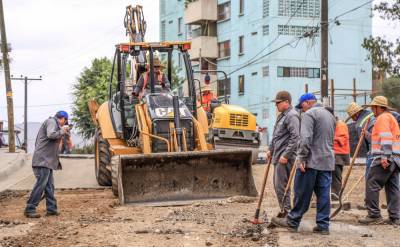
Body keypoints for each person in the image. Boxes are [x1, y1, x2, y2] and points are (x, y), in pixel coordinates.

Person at [271, 93, 336, 235]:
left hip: (310, 161)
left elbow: (305, 138)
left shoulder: (309, 114)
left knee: (302, 192)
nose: (302, 109)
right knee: (323, 194)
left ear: (307, 103)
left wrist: (301, 158)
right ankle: (323, 225)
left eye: (302, 106)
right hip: (327, 161)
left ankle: (292, 221)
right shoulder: (329, 115)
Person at [358, 96, 400, 225]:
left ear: (378, 108)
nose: (371, 110)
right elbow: (381, 139)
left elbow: (386, 138)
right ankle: (395, 216)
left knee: (372, 184)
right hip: (396, 158)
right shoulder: (390, 118)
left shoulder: (382, 118)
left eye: (373, 107)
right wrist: (367, 135)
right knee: (392, 187)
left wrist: (385, 157)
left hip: (384, 157)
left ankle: (374, 214)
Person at [24, 111, 70, 218]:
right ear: (63, 118)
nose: (64, 124)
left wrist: (63, 131)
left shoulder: (53, 123)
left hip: (46, 161)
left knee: (49, 186)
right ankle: (30, 208)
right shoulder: (51, 121)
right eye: (65, 122)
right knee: (41, 185)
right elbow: (51, 134)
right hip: (42, 161)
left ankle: (51, 209)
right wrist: (62, 131)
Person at [267, 91, 300, 216]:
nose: (276, 105)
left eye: (278, 103)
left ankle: (287, 211)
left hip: (285, 157)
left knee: (281, 186)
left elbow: (295, 137)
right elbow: (276, 135)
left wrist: (286, 155)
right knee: (278, 186)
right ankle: (284, 210)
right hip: (278, 155)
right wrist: (270, 149)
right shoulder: (282, 116)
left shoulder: (292, 116)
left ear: (287, 102)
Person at [345, 102, 375, 209]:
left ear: (355, 114)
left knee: (370, 179)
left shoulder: (360, 124)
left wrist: (369, 155)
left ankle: (369, 204)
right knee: (391, 181)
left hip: (374, 152)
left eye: (352, 116)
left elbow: (364, 144)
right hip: (389, 150)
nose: (352, 119)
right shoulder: (372, 114)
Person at [326, 107, 350, 200]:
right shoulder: (333, 123)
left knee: (336, 175)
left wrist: (327, 139)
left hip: (339, 154)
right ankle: (333, 193)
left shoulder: (340, 125)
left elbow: (341, 140)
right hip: (334, 153)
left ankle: (335, 194)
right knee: (332, 174)